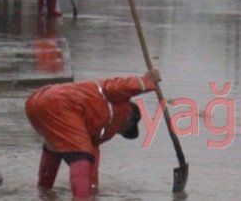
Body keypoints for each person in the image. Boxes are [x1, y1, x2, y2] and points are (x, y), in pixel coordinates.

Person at [25, 69, 161, 199]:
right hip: (61, 103)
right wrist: (146, 81)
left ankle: (43, 191)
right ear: (130, 117)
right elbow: (115, 86)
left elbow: (92, 161)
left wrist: (93, 189)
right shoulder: (119, 99)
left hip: (36, 101)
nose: (118, 133)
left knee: (55, 147)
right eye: (124, 130)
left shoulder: (95, 129)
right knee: (81, 155)